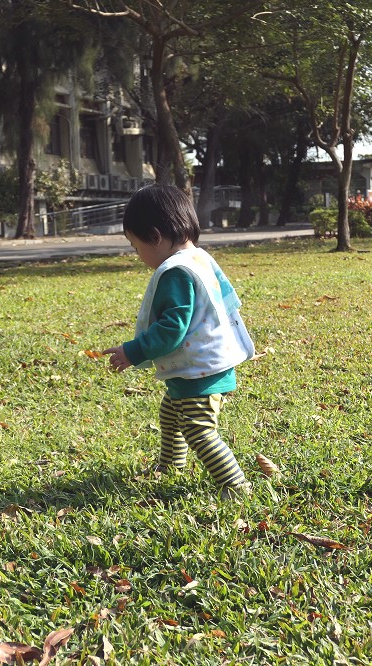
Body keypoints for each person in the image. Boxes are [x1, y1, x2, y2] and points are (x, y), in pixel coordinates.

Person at [102, 185, 255, 500]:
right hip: (210, 359)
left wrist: (133, 351)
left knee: (198, 430)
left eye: (135, 246)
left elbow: (173, 328)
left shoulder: (176, 273)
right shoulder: (198, 258)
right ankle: (171, 463)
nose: (137, 254)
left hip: (198, 368)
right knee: (171, 413)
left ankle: (236, 486)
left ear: (155, 237)